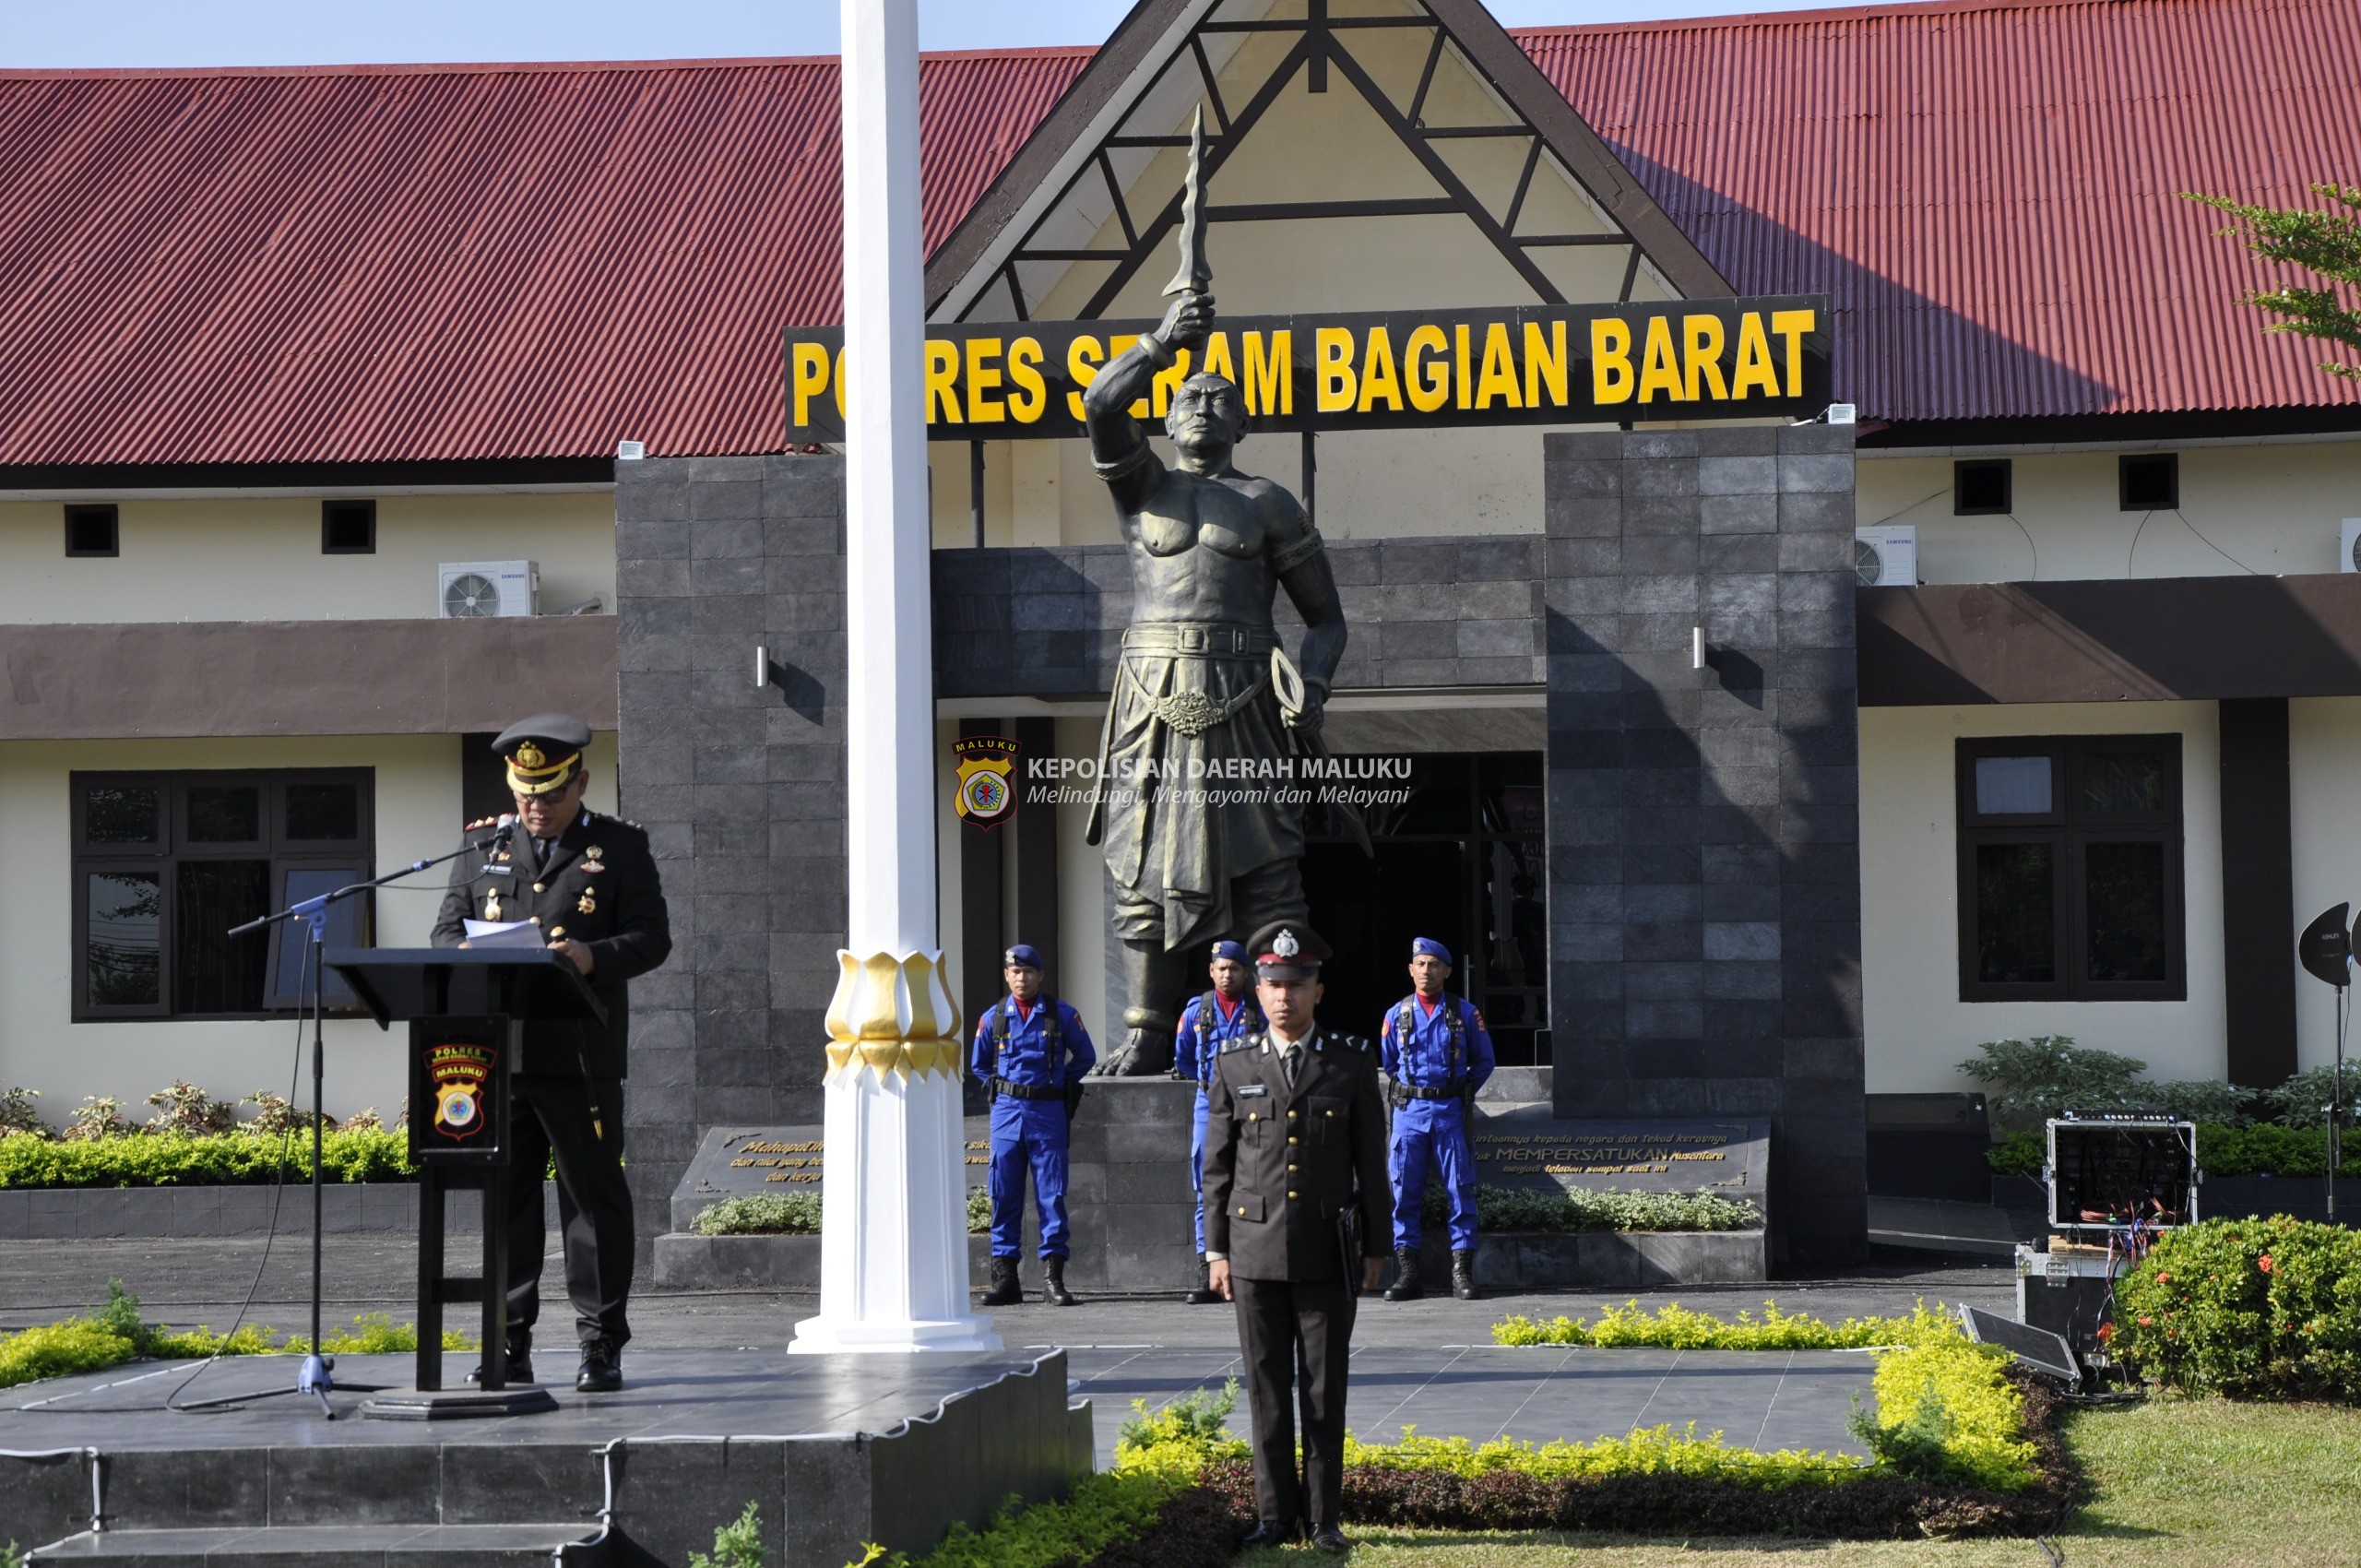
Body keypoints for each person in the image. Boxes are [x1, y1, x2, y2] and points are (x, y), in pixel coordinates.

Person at [1079, 289, 1348, 1074]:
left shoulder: (1268, 502)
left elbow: (1327, 619)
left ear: (1241, 425)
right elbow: (1100, 399)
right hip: (1150, 695)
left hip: (1247, 693)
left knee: (1268, 864)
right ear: (1164, 421)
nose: (1201, 403)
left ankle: (1283, 1030)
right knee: (1139, 861)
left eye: (1218, 399)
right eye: (1188, 396)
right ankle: (1148, 1030)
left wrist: (1316, 691)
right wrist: (1163, 344)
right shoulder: (1142, 489)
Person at [431, 714, 670, 1393]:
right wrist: (467, 955)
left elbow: (653, 939)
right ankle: (508, 1344)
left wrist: (592, 954)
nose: (536, 807)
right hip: (498, 1057)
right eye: (525, 794)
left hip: (580, 1057)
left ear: (581, 783)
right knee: (506, 1203)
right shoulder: (482, 847)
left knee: (591, 1203)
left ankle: (600, 1345)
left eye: (551, 794)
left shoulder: (619, 849)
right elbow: (445, 932)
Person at [1201, 922, 1389, 1552]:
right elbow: (1217, 1168)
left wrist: (1377, 1247)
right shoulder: (1232, 1065)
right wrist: (1216, 1250)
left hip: (1327, 1252)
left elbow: (1372, 1162)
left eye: (1297, 985)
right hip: (1252, 1254)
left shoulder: (1350, 1061)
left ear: (1318, 991)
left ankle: (1324, 1519)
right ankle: (1275, 1519)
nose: (1285, 996)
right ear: (1258, 990)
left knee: (1322, 1390)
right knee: (1266, 1393)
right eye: (1274, 985)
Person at [970, 944, 1096, 1307]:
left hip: (1047, 1112)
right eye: (1015, 972)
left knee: (1051, 1195)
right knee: (1003, 1194)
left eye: (1028, 972)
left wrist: (1060, 1080)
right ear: (1006, 976)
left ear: (1040, 975)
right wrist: (1005, 1088)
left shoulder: (1061, 1015)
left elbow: (1086, 1056)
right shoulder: (993, 1017)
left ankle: (1053, 1279)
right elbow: (979, 1065)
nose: (1021, 978)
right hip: (1007, 1113)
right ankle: (1005, 1279)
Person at [1377, 938, 1497, 1303]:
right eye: (1420, 964)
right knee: (1403, 1193)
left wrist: (1460, 1092)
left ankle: (1462, 1272)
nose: (1426, 971)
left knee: (1460, 1190)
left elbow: (1484, 1061)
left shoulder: (1465, 1013)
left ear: (1447, 970)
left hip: (1449, 1114)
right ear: (1411, 970)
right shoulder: (1396, 1014)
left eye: (1434, 964)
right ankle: (1408, 1274)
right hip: (1408, 1115)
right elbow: (1389, 1063)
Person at [1173, 939, 1264, 1304]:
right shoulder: (1196, 1012)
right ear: (1211, 971)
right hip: (1208, 1104)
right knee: (1206, 1188)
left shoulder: (1258, 1008)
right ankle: (1207, 1267)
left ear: (1245, 972)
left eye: (1234, 968)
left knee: (1255, 1184)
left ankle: (1250, 1269)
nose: (1227, 974)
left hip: (1253, 1105)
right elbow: (1182, 1058)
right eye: (1221, 968)